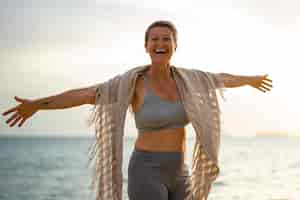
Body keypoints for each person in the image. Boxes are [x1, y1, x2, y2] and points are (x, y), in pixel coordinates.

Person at [2, 20, 272, 200]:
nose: (160, 43)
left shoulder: (190, 81)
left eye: (166, 38)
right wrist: (38, 104)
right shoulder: (132, 84)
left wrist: (248, 80)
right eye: (154, 39)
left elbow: (221, 79)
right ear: (146, 46)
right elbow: (84, 95)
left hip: (181, 172)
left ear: (175, 46)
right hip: (146, 170)